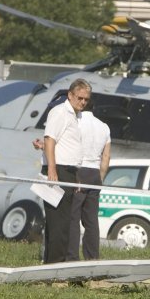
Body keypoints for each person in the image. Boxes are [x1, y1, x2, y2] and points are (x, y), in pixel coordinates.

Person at [41, 79, 88, 263]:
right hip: (57, 170)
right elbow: (49, 140)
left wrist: (75, 176)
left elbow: (66, 147)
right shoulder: (60, 112)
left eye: (86, 99)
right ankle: (54, 267)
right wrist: (52, 170)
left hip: (68, 171)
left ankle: (53, 265)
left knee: (64, 222)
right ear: (70, 95)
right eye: (80, 98)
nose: (83, 102)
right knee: (58, 224)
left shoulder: (75, 116)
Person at [68, 110, 111, 261]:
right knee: (91, 220)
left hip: (80, 170)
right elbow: (106, 157)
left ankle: (72, 257)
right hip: (95, 173)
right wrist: (100, 178)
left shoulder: (76, 121)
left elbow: (72, 149)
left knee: (73, 218)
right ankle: (92, 258)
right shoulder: (104, 126)